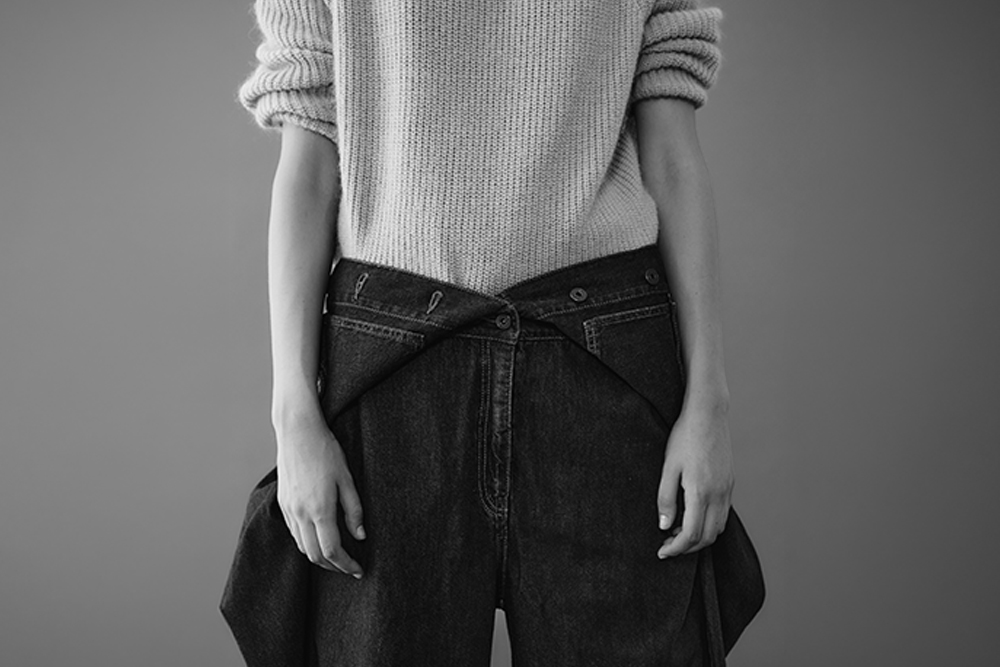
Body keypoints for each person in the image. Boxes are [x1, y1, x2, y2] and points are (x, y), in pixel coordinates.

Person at [220, 0, 765, 665]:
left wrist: (709, 401)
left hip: (600, 363)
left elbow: (673, 158)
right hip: (394, 383)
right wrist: (293, 416)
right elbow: (308, 163)